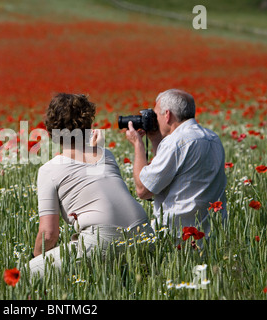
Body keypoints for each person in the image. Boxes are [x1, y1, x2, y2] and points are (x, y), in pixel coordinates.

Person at [28, 93, 154, 279]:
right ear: (88, 127)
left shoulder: (49, 170)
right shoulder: (106, 155)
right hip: (145, 236)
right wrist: (92, 147)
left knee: (23, 276)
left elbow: (49, 234)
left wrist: (37, 260)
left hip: (102, 240)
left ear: (50, 133)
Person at [124, 89, 227, 243]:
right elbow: (169, 173)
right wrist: (154, 140)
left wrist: (138, 144)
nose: (154, 120)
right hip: (211, 234)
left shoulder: (177, 142)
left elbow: (143, 189)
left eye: (156, 115)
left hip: (177, 236)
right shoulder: (212, 138)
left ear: (167, 115)